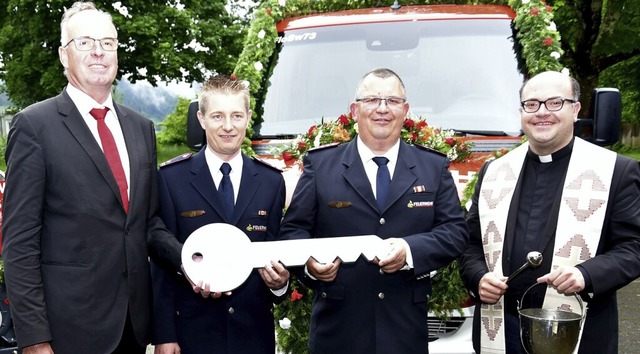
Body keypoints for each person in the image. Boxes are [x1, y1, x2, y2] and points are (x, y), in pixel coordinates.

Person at [1, 2, 184, 353]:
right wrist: (35, 339)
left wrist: (192, 260)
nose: (98, 52)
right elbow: (20, 245)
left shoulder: (141, 128)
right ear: (63, 55)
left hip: (132, 329)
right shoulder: (34, 127)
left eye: (108, 42)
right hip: (67, 331)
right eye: (84, 42)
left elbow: (146, 225)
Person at [278, 67, 469, 353]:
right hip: (338, 331)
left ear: (406, 110)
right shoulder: (321, 165)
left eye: (392, 101)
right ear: (354, 110)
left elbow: (454, 232)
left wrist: (409, 250)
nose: (382, 109)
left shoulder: (433, 166)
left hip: (405, 330)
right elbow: (293, 230)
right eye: (371, 100)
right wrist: (309, 264)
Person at [459, 70, 640, 354]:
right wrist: (479, 278)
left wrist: (586, 275)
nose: (542, 113)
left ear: (575, 109)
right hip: (502, 331)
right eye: (531, 104)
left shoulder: (616, 171)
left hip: (579, 330)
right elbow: (470, 244)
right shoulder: (495, 171)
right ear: (521, 112)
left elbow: (634, 248)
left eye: (555, 103)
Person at [150, 74, 289, 354]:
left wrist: (280, 284)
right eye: (217, 116)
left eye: (237, 115)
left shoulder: (271, 182)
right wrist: (165, 335)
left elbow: (276, 252)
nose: (228, 126)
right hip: (193, 335)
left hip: (253, 336)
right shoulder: (171, 179)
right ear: (201, 119)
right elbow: (161, 262)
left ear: (248, 117)